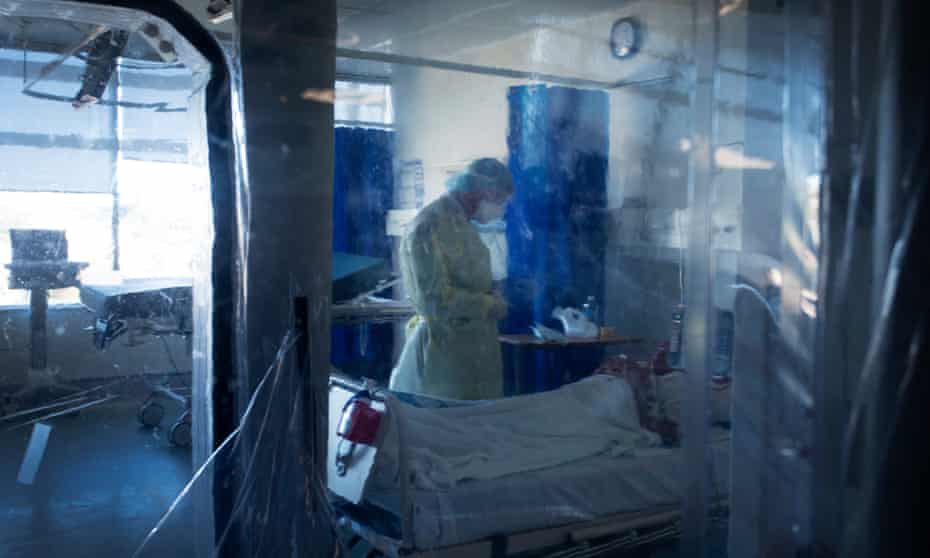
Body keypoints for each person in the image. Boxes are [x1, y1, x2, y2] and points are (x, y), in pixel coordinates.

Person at [389, 158, 513, 400]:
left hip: (471, 354)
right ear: (483, 191)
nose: (500, 208)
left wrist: (491, 291)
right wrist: (489, 304)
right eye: (500, 201)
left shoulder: (463, 226)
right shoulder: (429, 226)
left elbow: (465, 280)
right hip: (444, 359)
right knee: (447, 431)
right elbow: (434, 300)